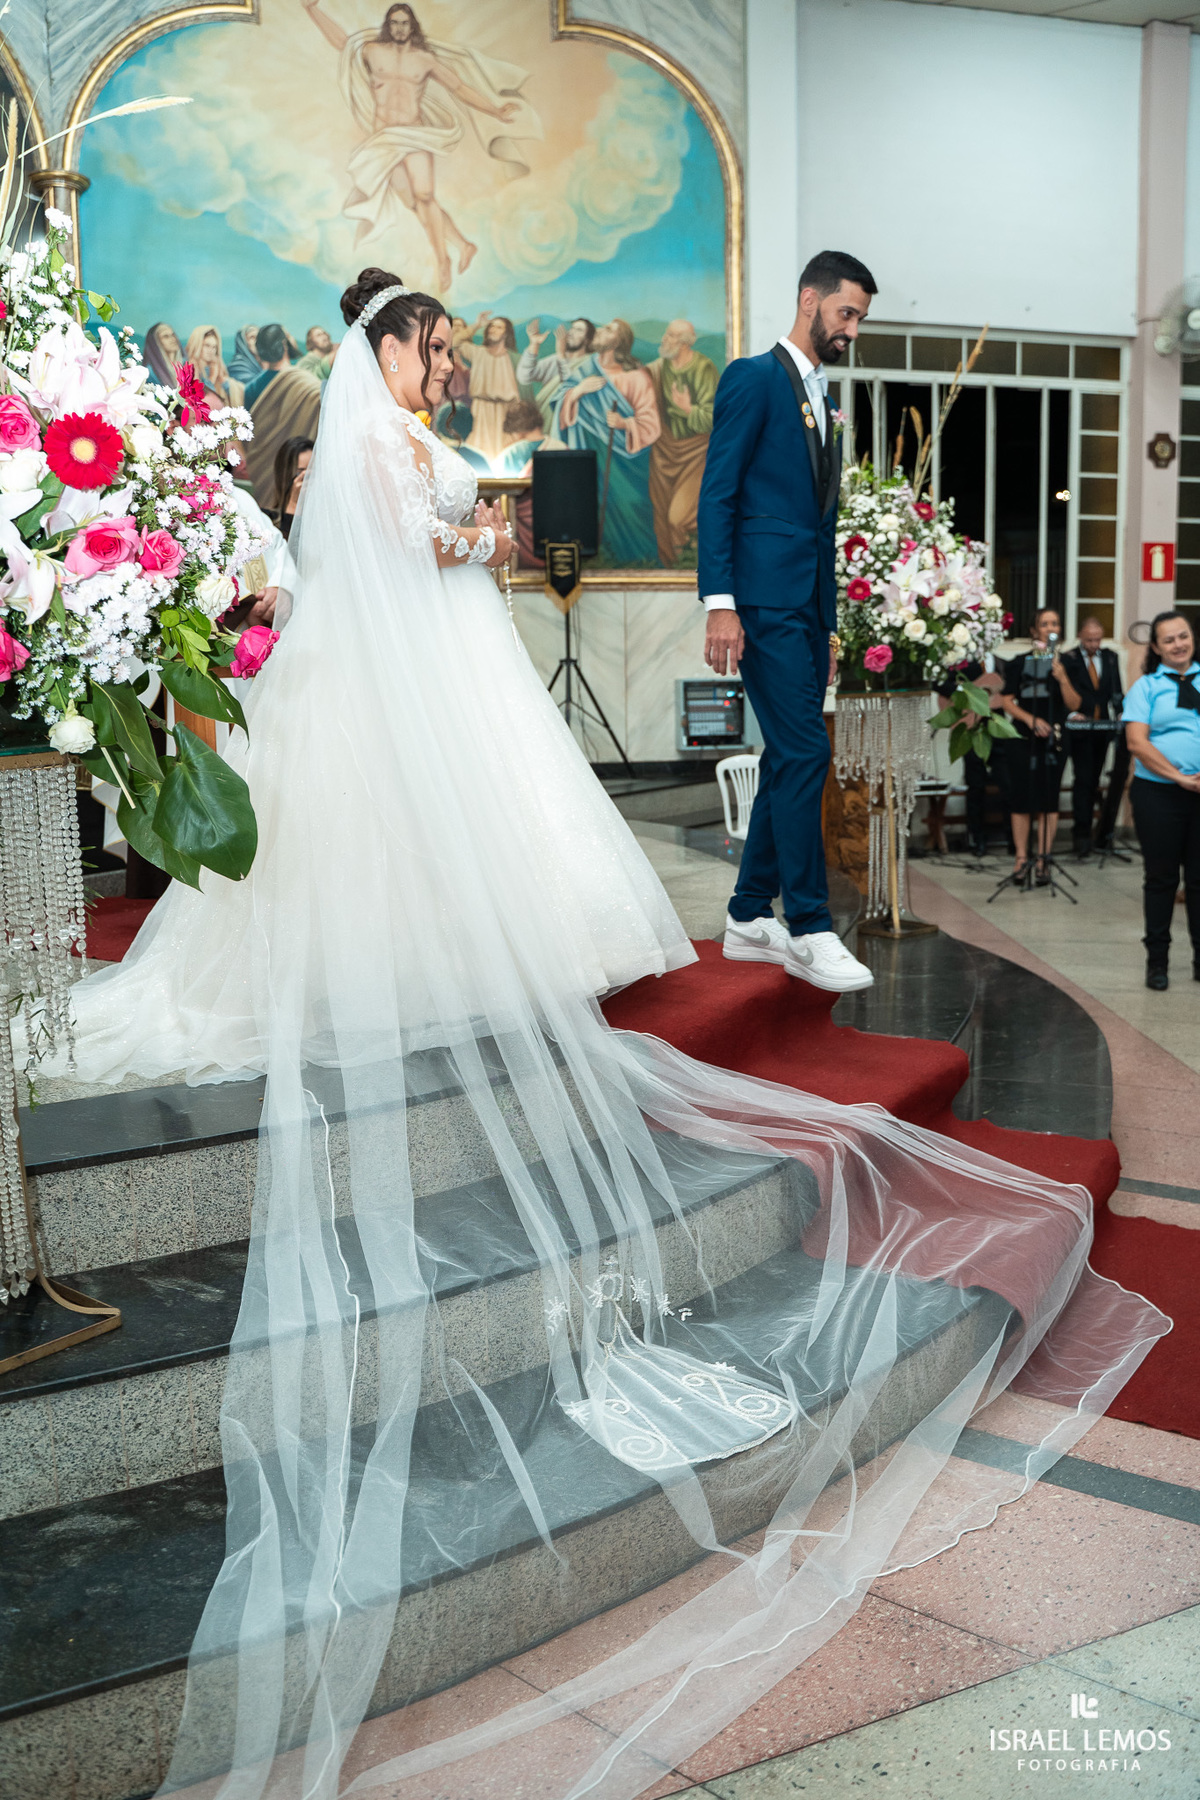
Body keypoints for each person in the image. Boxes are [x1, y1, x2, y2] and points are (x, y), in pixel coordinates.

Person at [39, 268, 1164, 1800]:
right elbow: (396, 543)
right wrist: (467, 530)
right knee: (399, 853)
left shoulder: (422, 427)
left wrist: (482, 534)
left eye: (443, 350)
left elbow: (445, 542)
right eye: (431, 347)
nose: (443, 366)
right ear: (389, 348)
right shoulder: (372, 441)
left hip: (458, 664)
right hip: (407, 679)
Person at [698, 249, 876, 992]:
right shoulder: (754, 377)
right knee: (805, 753)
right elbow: (719, 495)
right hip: (761, 604)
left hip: (804, 610)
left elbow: (821, 525)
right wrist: (721, 604)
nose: (853, 329)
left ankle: (746, 914)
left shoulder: (823, 396)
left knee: (789, 756)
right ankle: (807, 924)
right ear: (810, 300)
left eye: (860, 318)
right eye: (846, 313)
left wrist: (829, 627)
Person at [302, 0, 534, 291]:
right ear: (389, 25)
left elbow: (459, 88)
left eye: (405, 23)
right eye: (395, 22)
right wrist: (312, 10)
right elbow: (343, 43)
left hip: (414, 134)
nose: (400, 28)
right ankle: (463, 244)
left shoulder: (425, 60)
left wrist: (495, 110)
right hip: (384, 138)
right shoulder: (373, 51)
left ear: (412, 27)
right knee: (416, 204)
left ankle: (443, 260)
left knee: (425, 195)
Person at [1122, 610, 1200, 989]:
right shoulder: (1146, 688)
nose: (1178, 644)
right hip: (1158, 794)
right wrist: (1180, 778)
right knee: (1161, 879)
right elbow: (1137, 742)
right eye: (1168, 640)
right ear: (1156, 647)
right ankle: (1158, 962)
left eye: (1182, 636)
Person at [554, 318, 661, 565]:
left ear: (619, 341)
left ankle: (641, 562)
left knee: (631, 508)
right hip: (588, 457)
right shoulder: (583, 370)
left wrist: (625, 423)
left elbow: (651, 423)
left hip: (625, 465)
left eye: (610, 329)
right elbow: (561, 403)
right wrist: (579, 390)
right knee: (589, 507)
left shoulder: (636, 377)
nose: (601, 330)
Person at [997, 606, 1081, 884]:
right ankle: (1021, 858)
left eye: (1055, 623)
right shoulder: (1019, 663)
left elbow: (1075, 704)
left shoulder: (1068, 664)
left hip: (1056, 736)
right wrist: (1030, 719)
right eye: (1044, 624)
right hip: (1024, 737)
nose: (1050, 628)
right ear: (1034, 631)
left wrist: (1062, 678)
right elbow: (1006, 700)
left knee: (1049, 799)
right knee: (1022, 798)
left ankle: (1044, 859)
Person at [646, 318, 719, 567]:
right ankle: (672, 570)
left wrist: (688, 410)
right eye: (666, 334)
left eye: (671, 336)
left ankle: (690, 569)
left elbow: (714, 417)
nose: (664, 340)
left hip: (696, 454)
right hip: (665, 453)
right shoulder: (658, 368)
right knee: (662, 519)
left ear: (685, 343)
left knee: (679, 518)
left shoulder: (703, 368)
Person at [1062, 616, 1124, 857]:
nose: (1094, 645)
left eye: (1097, 640)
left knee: (1096, 780)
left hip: (1102, 728)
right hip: (1080, 728)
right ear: (1080, 637)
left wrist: (1120, 713)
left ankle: (1101, 834)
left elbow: (1116, 689)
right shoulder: (1069, 659)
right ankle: (1081, 835)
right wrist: (1072, 713)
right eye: (1089, 640)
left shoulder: (1110, 657)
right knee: (1083, 780)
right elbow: (1065, 691)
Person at [242, 323, 322, 508]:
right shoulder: (307, 384)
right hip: (296, 470)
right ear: (284, 345)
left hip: (262, 472)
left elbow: (249, 435)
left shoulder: (251, 388)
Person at [452, 313, 522, 462]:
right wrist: (477, 325)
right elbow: (454, 342)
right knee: (478, 451)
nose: (493, 330)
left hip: (506, 412)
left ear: (506, 333)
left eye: (499, 327)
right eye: (491, 326)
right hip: (481, 410)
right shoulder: (478, 352)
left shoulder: (513, 358)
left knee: (506, 453)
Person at [516, 315, 594, 428]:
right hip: (546, 422)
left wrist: (561, 356)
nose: (571, 332)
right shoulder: (554, 360)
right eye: (571, 328)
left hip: (573, 425)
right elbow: (524, 377)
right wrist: (534, 344)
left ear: (587, 339)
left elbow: (569, 385)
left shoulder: (590, 363)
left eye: (579, 330)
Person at [270, 434, 315, 538]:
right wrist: (294, 504)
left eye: (314, 471)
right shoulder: (267, 518)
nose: (311, 479)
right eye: (302, 473)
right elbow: (286, 552)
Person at [142, 320, 183, 390]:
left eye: (173, 335)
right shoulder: (150, 372)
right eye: (166, 336)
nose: (173, 339)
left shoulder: (186, 363)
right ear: (156, 342)